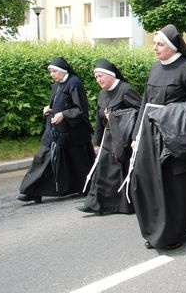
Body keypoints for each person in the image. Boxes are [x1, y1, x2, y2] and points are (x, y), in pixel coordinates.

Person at [128, 24, 186, 250]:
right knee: (147, 183)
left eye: (160, 44)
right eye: (154, 43)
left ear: (173, 47)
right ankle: (156, 230)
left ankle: (173, 234)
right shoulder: (155, 68)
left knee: (173, 186)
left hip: (174, 136)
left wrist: (169, 115)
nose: (155, 48)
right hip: (149, 135)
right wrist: (136, 135)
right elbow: (145, 103)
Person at [18, 57, 95, 203]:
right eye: (50, 72)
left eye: (54, 71)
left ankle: (87, 187)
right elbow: (56, 103)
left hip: (73, 133)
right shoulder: (56, 85)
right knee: (44, 159)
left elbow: (80, 109)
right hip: (55, 131)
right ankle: (31, 191)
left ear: (62, 70)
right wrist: (49, 109)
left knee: (80, 163)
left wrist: (64, 115)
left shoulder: (74, 83)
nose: (52, 75)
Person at [79, 59, 141, 215]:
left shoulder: (126, 90)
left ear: (110, 75)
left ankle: (125, 204)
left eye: (101, 76)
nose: (98, 80)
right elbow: (99, 119)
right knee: (103, 171)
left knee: (121, 171)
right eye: (96, 77)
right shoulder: (102, 93)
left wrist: (135, 136)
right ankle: (96, 203)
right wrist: (97, 142)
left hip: (125, 139)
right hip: (108, 138)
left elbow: (140, 112)